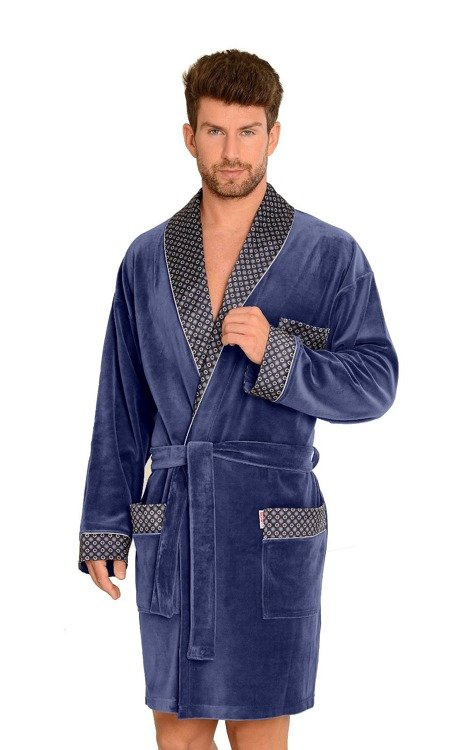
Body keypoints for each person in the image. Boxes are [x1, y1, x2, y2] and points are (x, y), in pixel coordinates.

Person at [77, 49, 399, 750]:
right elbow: (119, 405)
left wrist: (280, 356)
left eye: (248, 131)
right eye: (215, 131)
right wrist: (104, 523)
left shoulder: (329, 254)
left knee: (260, 738)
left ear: (273, 135)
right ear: (188, 136)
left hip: (267, 529)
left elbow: (376, 381)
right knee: (180, 738)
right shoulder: (146, 258)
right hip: (177, 525)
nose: (231, 152)